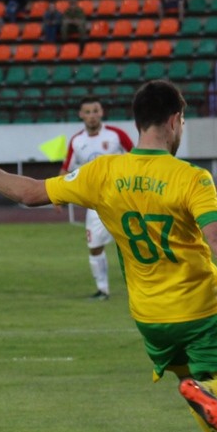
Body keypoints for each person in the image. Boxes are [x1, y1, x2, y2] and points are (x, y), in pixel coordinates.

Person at [0, 80, 217, 432]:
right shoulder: (190, 177)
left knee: (196, 388)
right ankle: (209, 395)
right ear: (174, 121)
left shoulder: (103, 172)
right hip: (202, 310)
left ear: (138, 122)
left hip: (151, 318)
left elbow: (32, 192)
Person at [60, 98, 134, 299]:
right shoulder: (77, 141)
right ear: (81, 115)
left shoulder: (116, 135)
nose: (92, 115)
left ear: (101, 112)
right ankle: (103, 290)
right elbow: (65, 169)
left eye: (95, 111)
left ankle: (143, 287)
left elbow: (138, 159)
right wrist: (57, 196)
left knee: (134, 244)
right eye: (87, 112)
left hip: (123, 200)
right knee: (94, 247)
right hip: (95, 203)